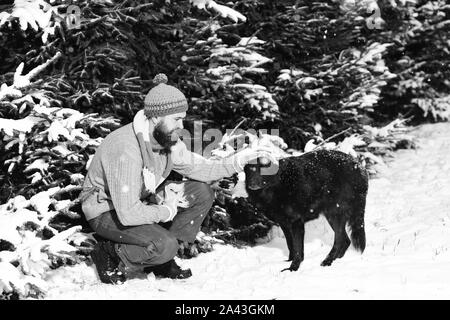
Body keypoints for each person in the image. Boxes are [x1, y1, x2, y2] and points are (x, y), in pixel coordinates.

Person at [80, 73, 273, 284]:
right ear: (155, 117)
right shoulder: (126, 148)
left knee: (201, 193)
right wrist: (166, 211)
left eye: (182, 118)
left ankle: (163, 257)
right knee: (165, 245)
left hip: (139, 198)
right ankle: (112, 253)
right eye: (176, 119)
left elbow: (201, 169)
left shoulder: (167, 139)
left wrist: (237, 162)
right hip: (106, 210)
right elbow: (127, 213)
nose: (181, 125)